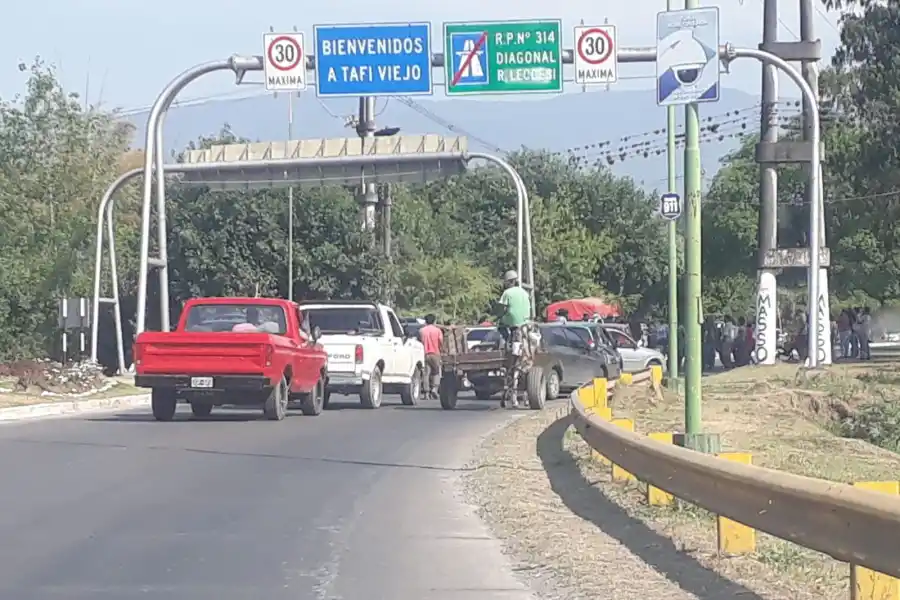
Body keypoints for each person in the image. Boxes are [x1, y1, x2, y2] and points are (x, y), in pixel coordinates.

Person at [495, 269, 532, 408]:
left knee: (500, 327)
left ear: (509, 282)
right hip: (527, 325)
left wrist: (498, 316)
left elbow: (501, 310)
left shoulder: (507, 293)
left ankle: (506, 347)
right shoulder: (524, 293)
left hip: (514, 327)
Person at [418, 314, 444, 400]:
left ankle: (426, 393)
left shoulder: (421, 331)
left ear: (425, 321)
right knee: (436, 372)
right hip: (435, 353)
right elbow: (440, 342)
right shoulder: (437, 330)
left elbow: (419, 341)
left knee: (426, 373)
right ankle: (434, 389)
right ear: (434, 321)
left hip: (424, 354)